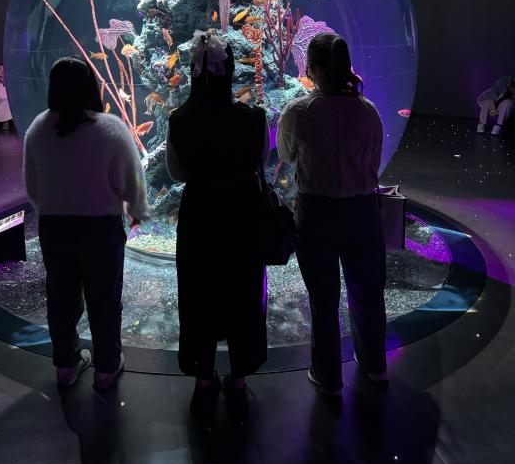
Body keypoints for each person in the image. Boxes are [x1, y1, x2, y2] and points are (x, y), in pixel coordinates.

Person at [23, 57, 149, 390]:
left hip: (54, 228)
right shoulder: (110, 129)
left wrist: (54, 209)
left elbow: (32, 187)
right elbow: (133, 180)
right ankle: (106, 368)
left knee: (61, 298)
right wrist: (136, 211)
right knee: (104, 299)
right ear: (91, 86)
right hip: (100, 230)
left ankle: (65, 365)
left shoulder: (38, 129)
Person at [166, 31, 269, 424]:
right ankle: (238, 380)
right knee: (244, 290)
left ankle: (203, 378)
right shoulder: (253, 118)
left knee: (199, 293)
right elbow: (261, 162)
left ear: (194, 73)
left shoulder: (179, 120)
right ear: (229, 71)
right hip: (243, 213)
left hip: (201, 214)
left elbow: (176, 173)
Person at [277, 33, 387, 397]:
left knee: (323, 298)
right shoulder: (369, 111)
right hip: (363, 211)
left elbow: (286, 155)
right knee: (368, 291)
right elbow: (373, 164)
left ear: (315, 69)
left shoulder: (299, 111)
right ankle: (375, 366)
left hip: (317, 213)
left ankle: (328, 376)